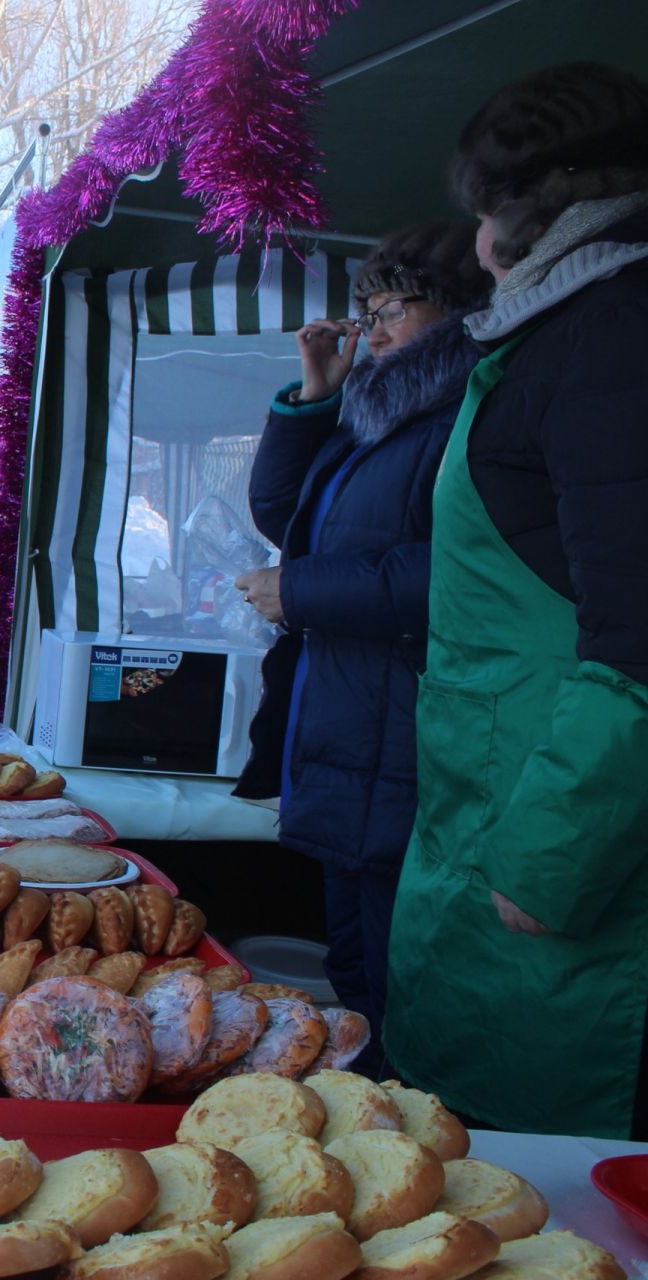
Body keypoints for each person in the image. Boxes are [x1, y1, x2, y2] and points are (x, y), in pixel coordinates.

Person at [385, 62, 648, 1140]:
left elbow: (639, 626)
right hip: (485, 801)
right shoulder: (555, 329)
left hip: (559, 850)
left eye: (486, 210)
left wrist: (547, 854)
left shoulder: (612, 336)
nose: (479, 244)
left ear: (529, 213)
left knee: (542, 1188)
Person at [231, 224, 490, 1078]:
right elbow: (283, 514)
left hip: (404, 734)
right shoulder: (379, 414)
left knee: (392, 984)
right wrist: (315, 397)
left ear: (455, 308)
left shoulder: (465, 416)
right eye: (366, 311)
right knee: (354, 969)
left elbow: (451, 572)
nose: (372, 332)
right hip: (347, 730)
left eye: (393, 309)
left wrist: (298, 592)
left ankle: (397, 1149)